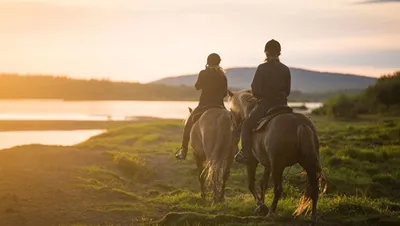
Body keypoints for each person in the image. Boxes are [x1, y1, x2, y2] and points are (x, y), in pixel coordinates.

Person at [234, 39, 291, 164]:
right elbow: (287, 91)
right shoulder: (285, 69)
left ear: (266, 53)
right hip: (283, 105)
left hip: (266, 105)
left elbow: (255, 89)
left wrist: (260, 97)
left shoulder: (262, 68)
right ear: (279, 53)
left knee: (247, 124)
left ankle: (245, 153)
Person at [175, 53, 228, 160]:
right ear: (219, 62)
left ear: (208, 62)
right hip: (220, 106)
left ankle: (183, 150)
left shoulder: (204, 73)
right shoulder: (222, 75)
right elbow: (224, 94)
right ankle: (235, 150)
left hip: (204, 105)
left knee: (188, 125)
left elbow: (197, 87)